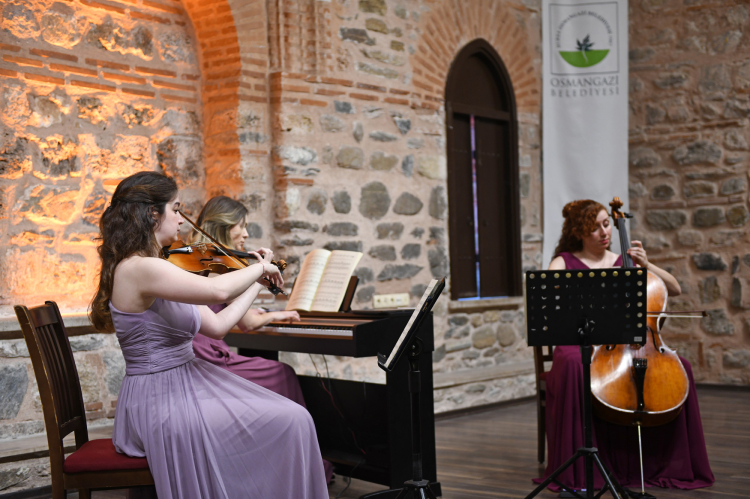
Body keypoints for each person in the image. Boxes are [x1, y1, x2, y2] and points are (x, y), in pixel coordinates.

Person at [90, 172, 328, 499]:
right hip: (160, 399)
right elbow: (218, 291)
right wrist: (259, 268)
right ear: (152, 213)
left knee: (295, 417)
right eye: (176, 209)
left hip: (181, 386)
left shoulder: (158, 265)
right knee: (291, 420)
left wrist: (256, 284)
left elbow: (217, 326)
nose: (181, 219)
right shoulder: (140, 267)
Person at [537, 199, 714, 491]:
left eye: (607, 224)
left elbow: (674, 288)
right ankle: (581, 469)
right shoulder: (564, 261)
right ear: (579, 232)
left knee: (681, 366)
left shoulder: (624, 262)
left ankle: (661, 462)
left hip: (620, 343)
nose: (604, 232)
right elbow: (548, 301)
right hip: (580, 342)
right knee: (574, 364)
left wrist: (646, 264)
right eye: (594, 228)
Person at [187, 195, 334, 482]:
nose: (245, 234)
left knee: (276, 371)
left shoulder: (197, 256)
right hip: (209, 357)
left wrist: (270, 312)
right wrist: (271, 305)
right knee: (283, 373)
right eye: (241, 226)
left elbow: (234, 312)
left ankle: (286, 458)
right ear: (223, 226)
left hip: (198, 352)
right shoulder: (220, 262)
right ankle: (302, 465)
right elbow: (247, 323)